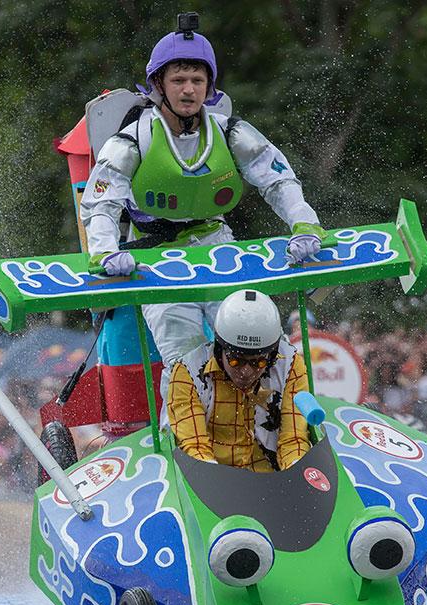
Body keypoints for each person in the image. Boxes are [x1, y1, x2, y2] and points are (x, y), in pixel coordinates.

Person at [79, 17, 324, 363]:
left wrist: (304, 223)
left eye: (197, 80)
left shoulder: (231, 132)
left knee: (261, 347)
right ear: (159, 84)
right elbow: (100, 204)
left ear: (209, 86)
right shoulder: (132, 140)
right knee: (186, 364)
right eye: (178, 80)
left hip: (217, 249)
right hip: (154, 261)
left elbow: (278, 180)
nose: (189, 90)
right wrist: (104, 251)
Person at [166, 289, 309, 471]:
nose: (246, 372)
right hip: (213, 480)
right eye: (236, 360)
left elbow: (294, 440)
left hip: (273, 479)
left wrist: (297, 471)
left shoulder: (291, 365)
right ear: (220, 348)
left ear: (272, 354)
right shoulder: (187, 372)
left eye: (258, 362)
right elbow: (194, 447)